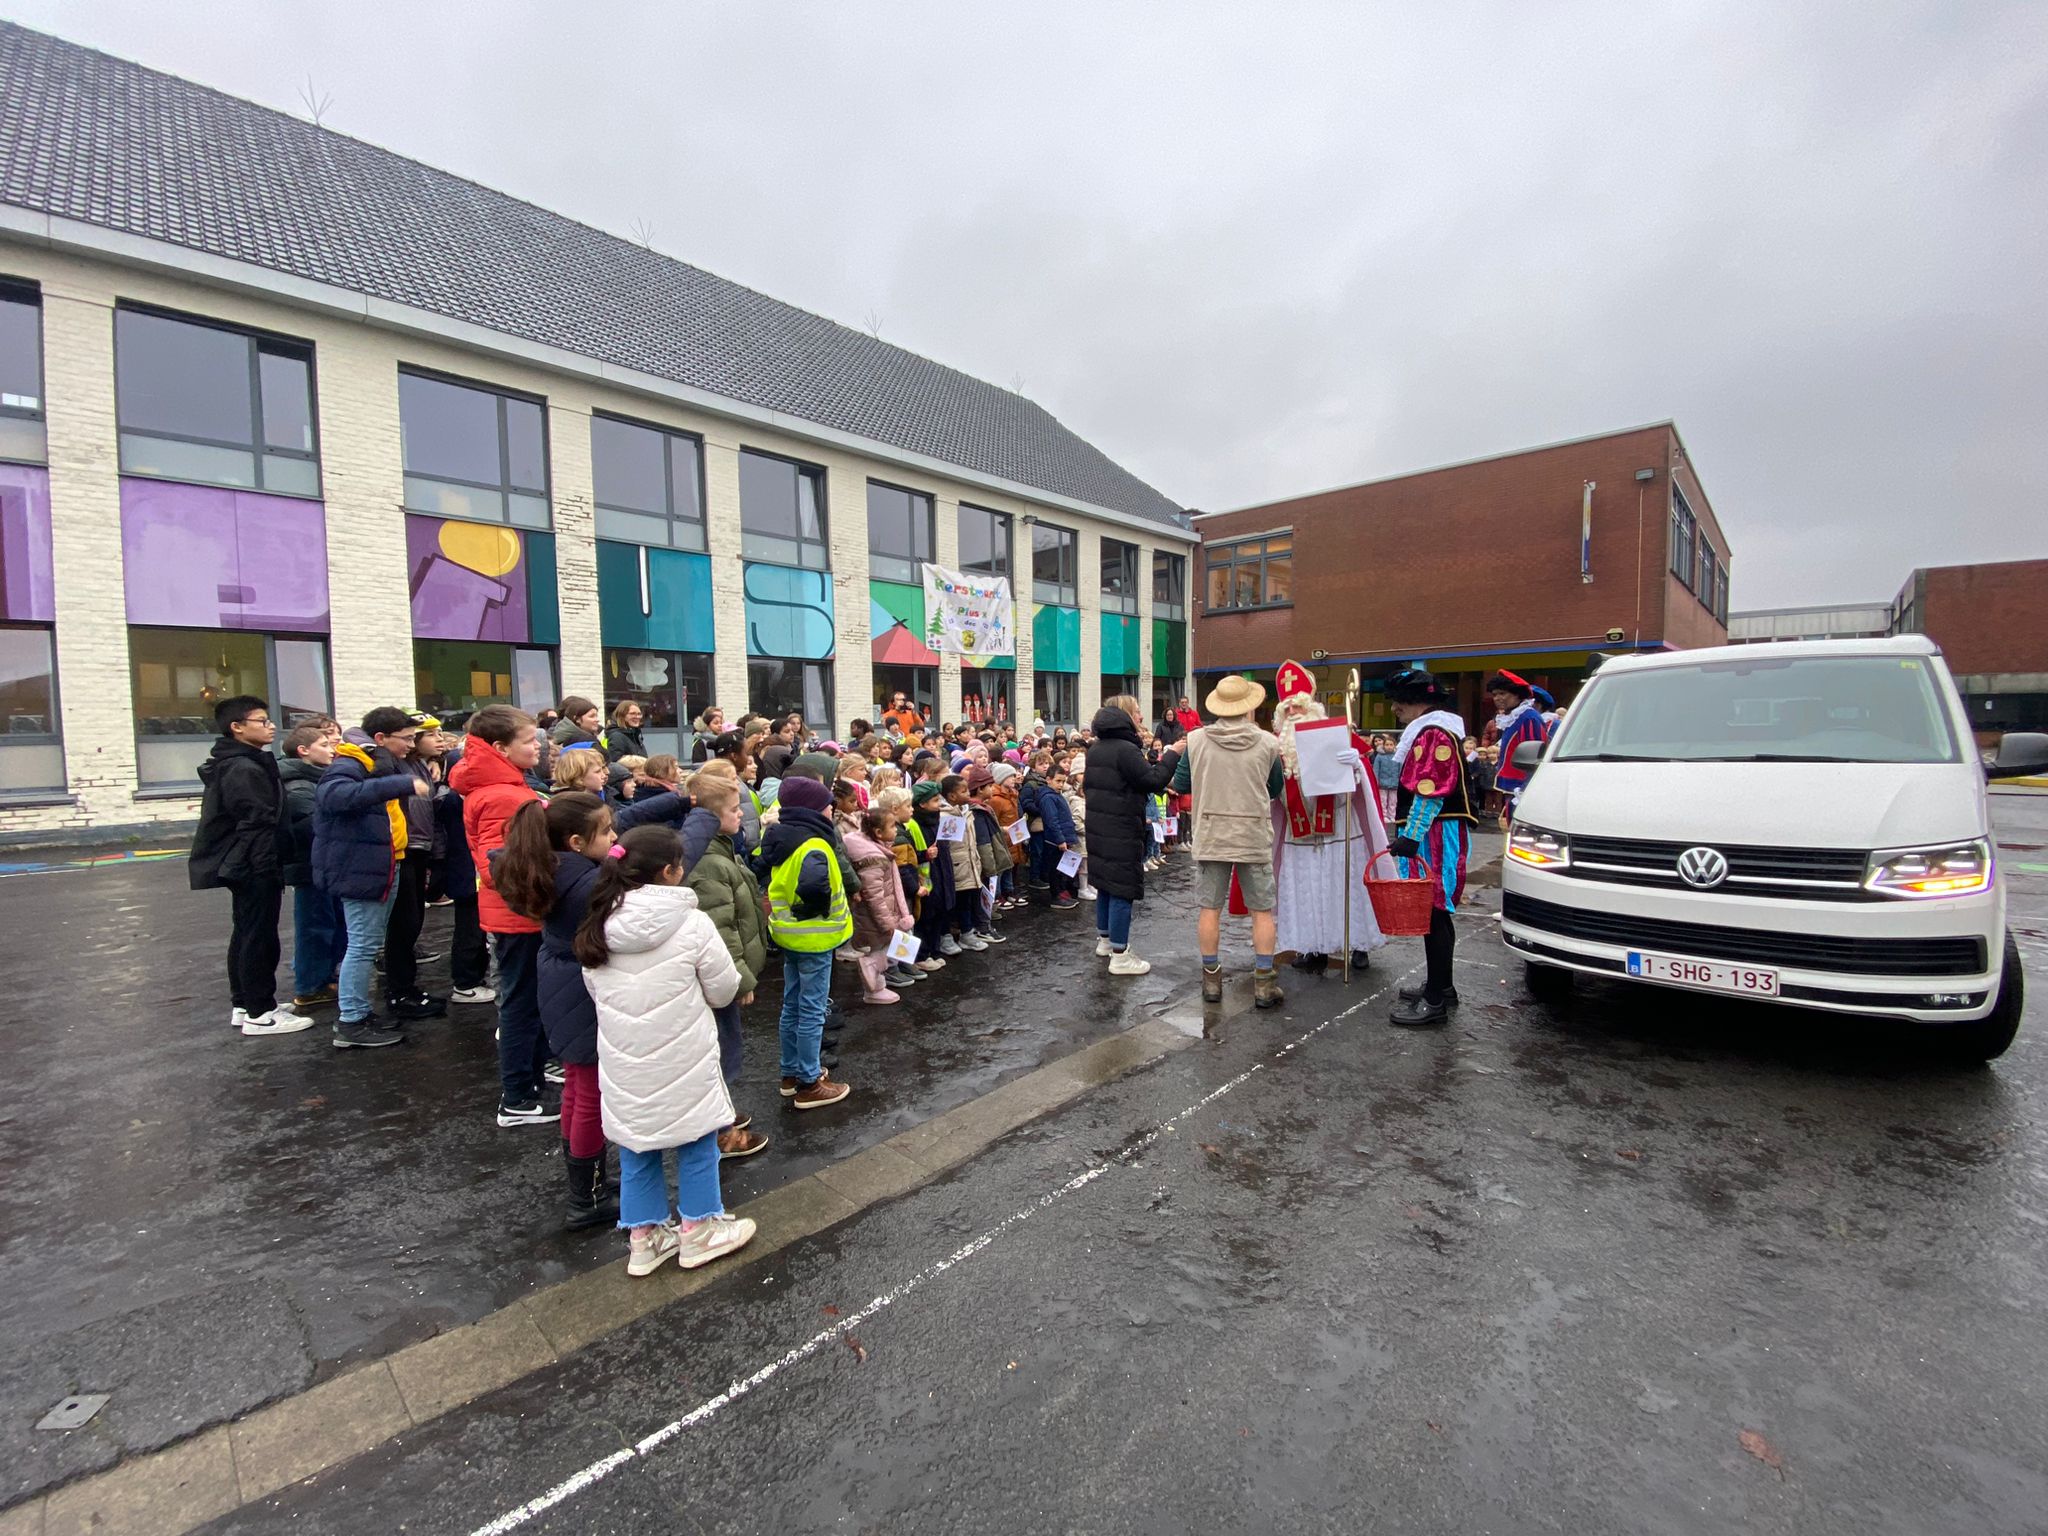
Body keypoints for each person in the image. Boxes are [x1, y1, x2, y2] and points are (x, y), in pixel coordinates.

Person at [575, 824, 758, 1276]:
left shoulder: (598, 922)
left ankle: (645, 1237)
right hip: (684, 1052)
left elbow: (597, 991)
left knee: (639, 1144)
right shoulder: (691, 923)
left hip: (624, 1056)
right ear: (671, 872)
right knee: (697, 1139)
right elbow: (722, 989)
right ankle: (700, 1229)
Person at [491, 791, 622, 1230]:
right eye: (606, 832)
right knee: (589, 1094)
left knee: (575, 1088)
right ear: (576, 843)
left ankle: (586, 1180)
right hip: (579, 987)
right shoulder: (587, 883)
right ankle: (586, 1197)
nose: (614, 837)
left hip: (557, 980)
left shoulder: (551, 869)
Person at [449, 705, 560, 1125]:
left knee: (529, 1000)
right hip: (518, 916)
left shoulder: (506, 785)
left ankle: (532, 1080)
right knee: (519, 1005)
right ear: (500, 747)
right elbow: (502, 868)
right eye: (530, 741)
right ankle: (517, 1095)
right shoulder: (502, 795)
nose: (539, 747)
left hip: (520, 913)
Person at [1261, 660, 1391, 980]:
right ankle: (1313, 947)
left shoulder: (1340, 737)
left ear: (1313, 710)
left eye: (1299, 708)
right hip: (1299, 834)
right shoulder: (1275, 750)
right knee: (1307, 890)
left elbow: (1364, 784)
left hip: (1342, 830)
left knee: (1346, 888)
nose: (1293, 714)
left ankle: (1357, 945)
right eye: (1287, 710)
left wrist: (1357, 764)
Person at [189, 695, 308, 1036]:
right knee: (258, 936)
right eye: (262, 721)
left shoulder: (244, 761)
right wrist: (265, 868)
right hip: (253, 865)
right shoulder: (243, 767)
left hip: (246, 862)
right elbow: (256, 822)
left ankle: (246, 1003)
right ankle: (261, 1012)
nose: (271, 726)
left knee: (246, 932)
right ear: (236, 727)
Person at [313, 707, 431, 1048]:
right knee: (362, 945)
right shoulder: (350, 764)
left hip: (383, 864)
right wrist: (400, 784)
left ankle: (359, 1012)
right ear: (380, 739)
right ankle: (351, 1021)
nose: (411, 745)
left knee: (367, 943)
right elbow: (334, 797)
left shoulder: (378, 763)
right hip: (362, 869)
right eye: (406, 739)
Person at [1170, 675, 1285, 1006]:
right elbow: (1275, 789)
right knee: (1262, 911)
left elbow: (1181, 783)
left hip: (1211, 832)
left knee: (1210, 909)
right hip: (1252, 833)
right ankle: (1264, 985)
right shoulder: (1268, 744)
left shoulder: (1196, 740)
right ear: (1249, 707)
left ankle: (1211, 983)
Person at [680, 775, 772, 1160]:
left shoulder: (721, 850)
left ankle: (722, 1114)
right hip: (721, 979)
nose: (742, 815)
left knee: (724, 1047)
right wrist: (739, 979)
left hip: (726, 975)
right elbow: (720, 928)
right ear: (714, 818)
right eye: (735, 810)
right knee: (720, 1050)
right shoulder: (709, 863)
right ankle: (720, 1132)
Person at [1382, 669, 1477, 1027]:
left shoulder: (1432, 732)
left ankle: (1435, 1000)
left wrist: (1412, 836)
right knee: (1436, 914)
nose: (1394, 709)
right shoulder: (1440, 729)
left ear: (1416, 702)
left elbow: (1429, 789)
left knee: (1434, 911)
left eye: (1398, 702)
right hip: (1438, 830)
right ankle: (1442, 987)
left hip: (1437, 833)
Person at [759, 774, 855, 1109]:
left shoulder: (782, 836)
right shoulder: (815, 843)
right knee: (812, 1010)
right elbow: (815, 887)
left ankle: (790, 1072)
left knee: (792, 1005)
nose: (831, 809)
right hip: (815, 937)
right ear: (814, 809)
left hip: (789, 936)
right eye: (826, 805)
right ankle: (809, 1081)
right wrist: (815, 912)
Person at [1083, 694, 1182, 975]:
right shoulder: (1125, 749)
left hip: (1102, 827)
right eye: (1137, 711)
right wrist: (1173, 754)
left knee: (1105, 884)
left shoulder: (1099, 747)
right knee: (1121, 890)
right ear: (1125, 714)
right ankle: (1120, 954)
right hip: (1120, 829)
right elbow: (1151, 780)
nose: (1141, 716)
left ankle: (1105, 940)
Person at [381, 711, 448, 1022]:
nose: (440, 740)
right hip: (404, 850)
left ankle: (406, 985)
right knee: (403, 922)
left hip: (421, 848)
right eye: (429, 735)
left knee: (414, 919)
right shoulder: (392, 763)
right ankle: (399, 990)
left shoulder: (424, 764)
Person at [277, 722, 345, 1011]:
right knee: (314, 926)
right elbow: (316, 826)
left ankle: (324, 977)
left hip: (324, 865)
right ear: (304, 751)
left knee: (330, 923)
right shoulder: (298, 786)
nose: (333, 750)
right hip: (309, 867)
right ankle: (309, 986)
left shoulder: (316, 779)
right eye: (325, 745)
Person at [845, 804, 914, 1003]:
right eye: (892, 827)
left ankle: (876, 987)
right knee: (880, 948)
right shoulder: (872, 857)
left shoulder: (876, 849)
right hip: (875, 916)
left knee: (884, 946)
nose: (895, 830)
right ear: (878, 832)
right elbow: (875, 895)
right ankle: (873, 984)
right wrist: (887, 922)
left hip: (879, 914)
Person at [1487, 670, 1550, 821]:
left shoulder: (1528, 718)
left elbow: (1535, 757)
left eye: (1502, 693)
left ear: (1517, 694)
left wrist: (1525, 790)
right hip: (1512, 788)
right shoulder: (1514, 717)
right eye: (1495, 694)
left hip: (1521, 788)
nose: (1497, 698)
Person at [1037, 758, 1081, 909]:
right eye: (1058, 781)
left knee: (1062, 869)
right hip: (1054, 841)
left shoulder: (1056, 795)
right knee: (1055, 869)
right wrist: (1060, 839)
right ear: (1048, 780)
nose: (1061, 785)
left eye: (1063, 781)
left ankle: (1062, 892)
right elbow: (1052, 821)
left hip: (1062, 838)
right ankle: (1056, 896)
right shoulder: (1048, 797)